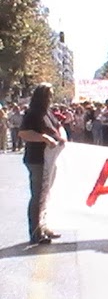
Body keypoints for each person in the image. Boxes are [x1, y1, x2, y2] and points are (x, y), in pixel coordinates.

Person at [18, 83, 65, 244]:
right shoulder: (32, 113)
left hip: (50, 159)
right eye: (49, 95)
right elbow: (24, 133)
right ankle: (36, 231)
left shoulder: (48, 112)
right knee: (38, 195)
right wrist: (44, 138)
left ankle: (44, 225)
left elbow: (58, 126)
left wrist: (62, 136)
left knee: (46, 194)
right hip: (37, 159)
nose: (51, 98)